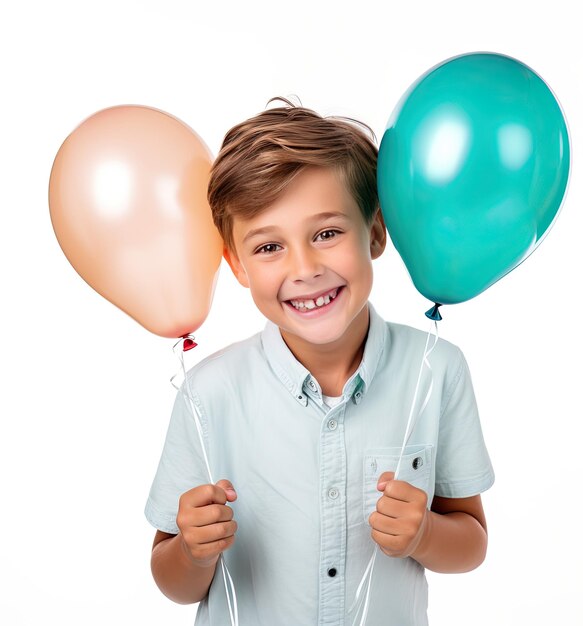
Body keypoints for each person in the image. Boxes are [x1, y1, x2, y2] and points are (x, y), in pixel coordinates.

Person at [145, 97, 495, 626]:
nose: (304, 268)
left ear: (375, 232)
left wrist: (425, 533)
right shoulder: (209, 392)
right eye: (268, 248)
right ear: (236, 263)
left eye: (327, 234)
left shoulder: (437, 370)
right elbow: (171, 579)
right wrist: (194, 551)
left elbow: (471, 542)